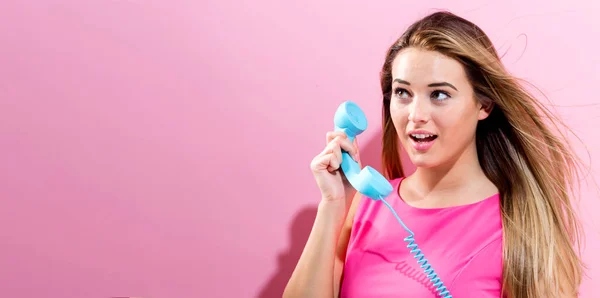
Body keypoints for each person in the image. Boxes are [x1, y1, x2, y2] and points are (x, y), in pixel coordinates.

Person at [282, 10, 586, 298]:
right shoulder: (364, 208)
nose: (416, 115)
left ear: (484, 105)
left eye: (439, 94)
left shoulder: (521, 224)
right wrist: (333, 205)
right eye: (403, 93)